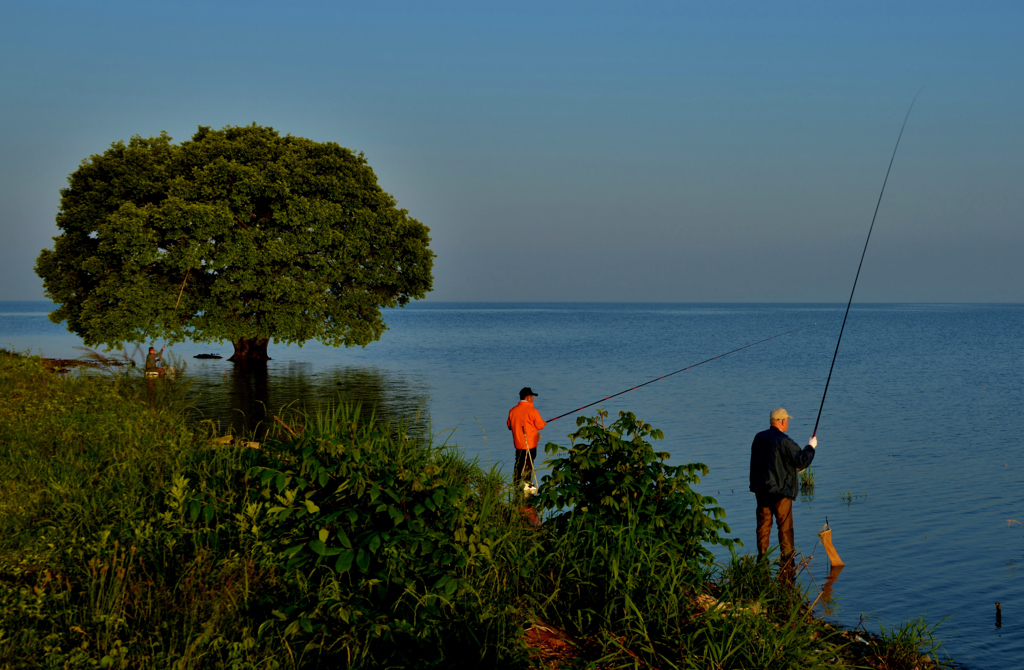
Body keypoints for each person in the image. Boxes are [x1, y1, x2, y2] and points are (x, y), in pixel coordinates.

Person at [749, 408, 817, 565]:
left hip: (761, 490)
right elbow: (802, 460)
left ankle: (762, 558)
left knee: (763, 525)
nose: (787, 423)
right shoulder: (785, 440)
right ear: (782, 421)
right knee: (785, 527)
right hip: (781, 492)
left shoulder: (758, 437)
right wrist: (811, 447)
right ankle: (787, 562)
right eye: (787, 420)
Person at [507, 387, 546, 487]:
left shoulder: (512, 410)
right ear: (528, 397)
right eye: (532, 396)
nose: (533, 398)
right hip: (530, 443)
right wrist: (543, 423)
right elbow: (540, 426)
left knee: (518, 463)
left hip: (518, 443)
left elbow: (509, 426)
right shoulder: (532, 411)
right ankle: (527, 484)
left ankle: (516, 484)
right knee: (529, 463)